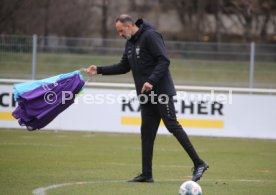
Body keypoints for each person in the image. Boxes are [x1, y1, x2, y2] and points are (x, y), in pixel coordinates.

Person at [86, 14, 209, 183]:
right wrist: (99, 70)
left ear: (129, 26)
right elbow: (123, 67)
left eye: (121, 31)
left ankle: (199, 163)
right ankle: (146, 174)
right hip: (146, 96)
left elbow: (164, 60)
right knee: (147, 133)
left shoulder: (150, 36)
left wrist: (151, 81)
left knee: (172, 125)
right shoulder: (129, 43)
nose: (120, 34)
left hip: (161, 92)